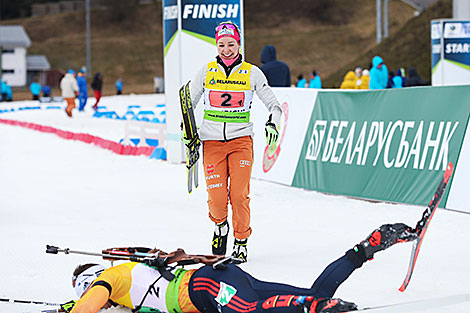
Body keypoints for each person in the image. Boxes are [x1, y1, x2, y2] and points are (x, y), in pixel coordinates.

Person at [62, 223, 418, 313]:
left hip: (202, 289)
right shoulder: (130, 277)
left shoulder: (109, 278)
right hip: (221, 275)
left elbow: (92, 304)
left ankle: (309, 308)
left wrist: (78, 306)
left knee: (248, 310)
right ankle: (365, 248)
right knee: (318, 294)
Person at [186, 21, 282, 263]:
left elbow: (274, 105)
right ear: (216, 46)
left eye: (231, 44)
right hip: (212, 143)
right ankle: (220, 227)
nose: (226, 49)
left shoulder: (252, 72)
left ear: (239, 44)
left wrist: (273, 123)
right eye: (221, 45)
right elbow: (188, 100)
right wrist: (188, 128)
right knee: (217, 198)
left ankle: (241, 240)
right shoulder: (207, 71)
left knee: (239, 196)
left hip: (240, 142)